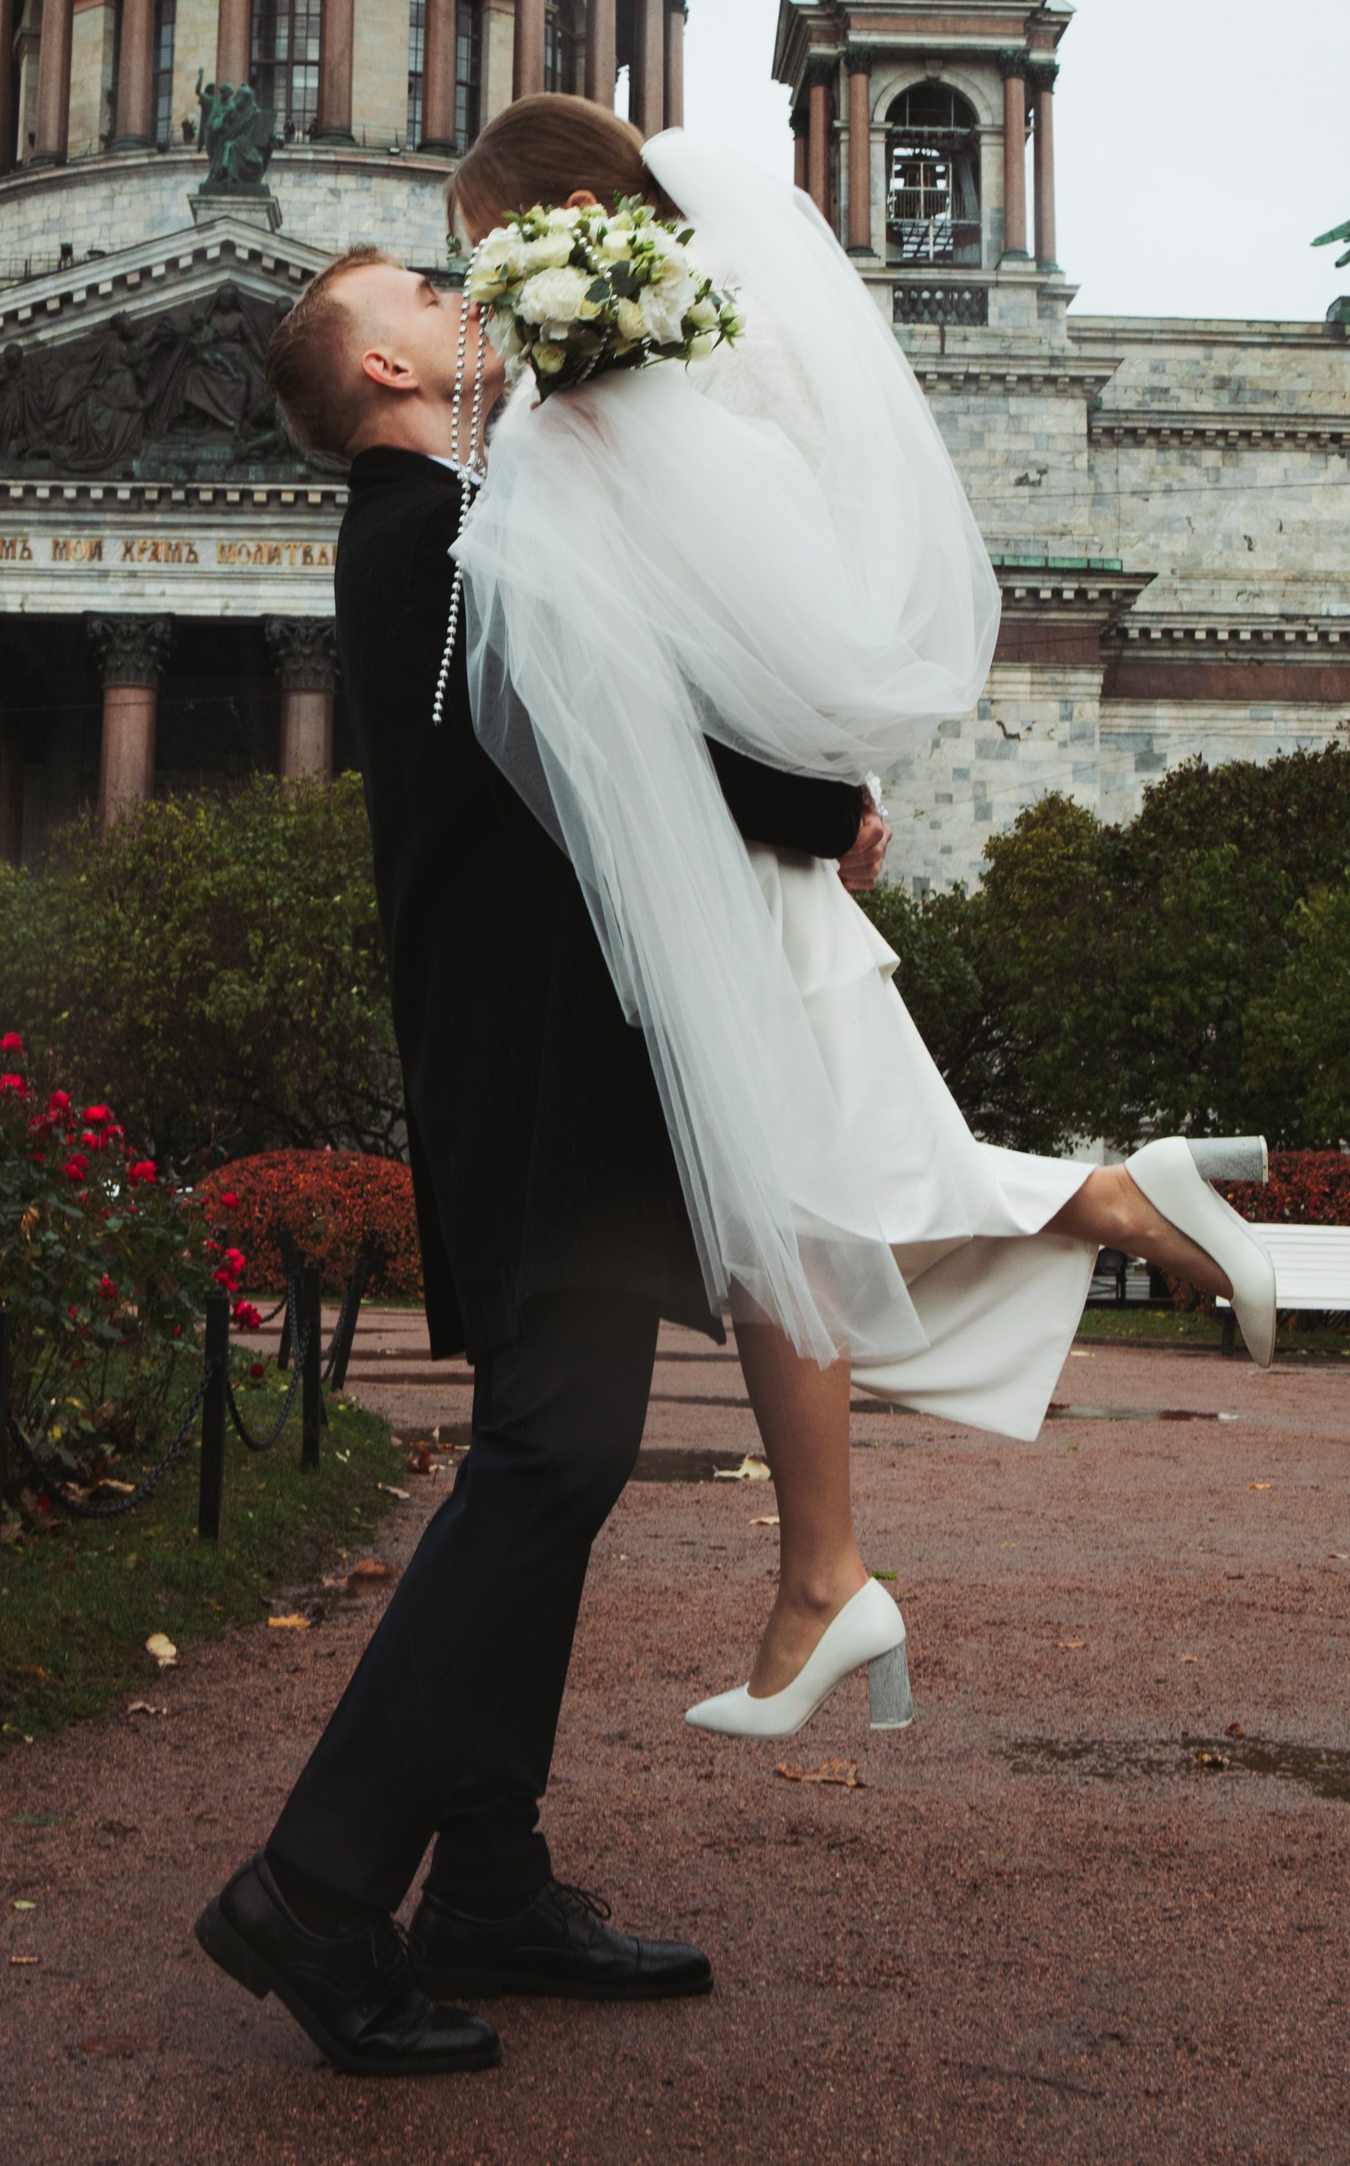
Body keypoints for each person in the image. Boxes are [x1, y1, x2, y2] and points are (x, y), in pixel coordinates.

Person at [445, 95, 1278, 1739]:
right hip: (754, 878)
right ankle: (832, 1564)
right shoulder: (713, 419)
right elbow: (787, 660)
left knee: (797, 1226)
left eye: (480, 256)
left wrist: (819, 809)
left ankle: (830, 1572)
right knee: (806, 1224)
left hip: (720, 896)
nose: (466, 295)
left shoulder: (581, 440)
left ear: (555, 245)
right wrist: (839, 799)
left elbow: (634, 702)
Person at [193, 241, 861, 2075]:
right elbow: (624, 730)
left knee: (549, 1462)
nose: (460, 293)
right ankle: (319, 1891)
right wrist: (826, 805)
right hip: (547, 1081)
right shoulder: (443, 542)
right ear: (388, 373)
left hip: (542, 1074)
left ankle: (485, 1878)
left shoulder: (451, 531)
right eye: (420, 288)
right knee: (551, 1462)